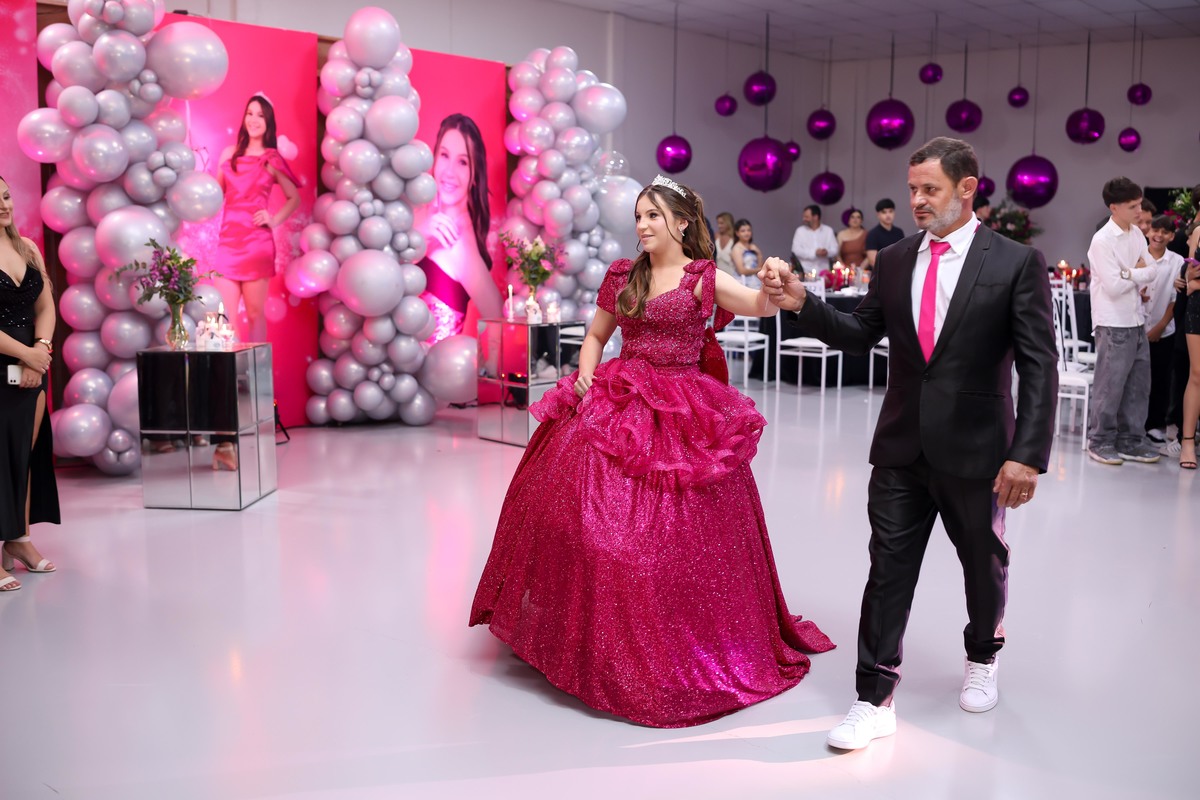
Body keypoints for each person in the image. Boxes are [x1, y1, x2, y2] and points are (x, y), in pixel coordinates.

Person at [469, 175, 833, 728]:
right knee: (568, 519)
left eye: (653, 216)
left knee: (677, 544)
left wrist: (774, 279)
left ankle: (676, 643)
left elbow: (760, 306)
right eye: (638, 216)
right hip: (617, 398)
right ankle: (580, 640)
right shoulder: (624, 275)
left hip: (682, 409)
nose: (641, 225)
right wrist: (586, 376)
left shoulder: (703, 277)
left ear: (681, 223)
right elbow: (596, 337)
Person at [759, 137, 1057, 750]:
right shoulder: (894, 260)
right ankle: (873, 698)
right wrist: (802, 303)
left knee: (983, 563)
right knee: (888, 569)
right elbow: (859, 333)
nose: (917, 200)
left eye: (930, 189)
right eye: (913, 188)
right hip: (900, 446)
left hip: (978, 450)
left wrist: (1026, 454)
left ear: (968, 188)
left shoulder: (1015, 262)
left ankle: (983, 654)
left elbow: (1039, 365)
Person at [0, 176, 60, 592]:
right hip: (8, 362)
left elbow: (45, 306)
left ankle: (17, 539)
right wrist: (26, 354)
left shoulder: (28, 249)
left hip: (33, 367)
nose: (3, 205)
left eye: (5, 196)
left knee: (23, 454)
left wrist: (40, 350)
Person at [213, 94, 300, 345]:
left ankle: (257, 369)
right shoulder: (229, 154)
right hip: (227, 243)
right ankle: (231, 368)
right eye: (249, 113)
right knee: (224, 320)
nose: (253, 120)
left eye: (260, 115)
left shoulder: (272, 159)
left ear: (268, 121)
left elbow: (294, 198)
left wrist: (273, 220)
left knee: (254, 314)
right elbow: (216, 195)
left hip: (256, 245)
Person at [1086, 177, 1160, 465]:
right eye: (1132, 206)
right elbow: (1114, 287)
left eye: (1139, 204)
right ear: (1113, 207)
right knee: (1110, 386)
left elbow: (1152, 270)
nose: (1139, 211)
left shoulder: (1137, 234)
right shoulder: (1102, 240)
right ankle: (1100, 440)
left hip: (1136, 319)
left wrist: (1128, 273)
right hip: (1112, 321)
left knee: (1138, 386)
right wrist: (1136, 274)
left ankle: (1131, 440)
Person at [415, 113, 502, 342]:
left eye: (463, 162)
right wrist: (420, 234)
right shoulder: (422, 217)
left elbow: (499, 318)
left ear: (474, 175)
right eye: (444, 155)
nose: (450, 172)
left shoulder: (459, 243)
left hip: (432, 363)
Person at [1143, 216, 1182, 444]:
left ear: (1172, 236)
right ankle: (1130, 424)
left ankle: (1154, 424)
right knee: (1135, 380)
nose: (1159, 235)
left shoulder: (1176, 261)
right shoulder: (1139, 256)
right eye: (1155, 229)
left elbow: (1175, 299)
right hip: (1136, 327)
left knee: (1160, 378)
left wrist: (1160, 327)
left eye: (1165, 232)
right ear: (1148, 231)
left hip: (1163, 330)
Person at [791, 204, 838, 276]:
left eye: (806, 217)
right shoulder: (800, 231)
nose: (804, 219)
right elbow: (795, 250)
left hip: (824, 273)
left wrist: (826, 252)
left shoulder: (828, 230)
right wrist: (814, 253)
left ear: (815, 217)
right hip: (805, 271)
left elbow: (835, 249)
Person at [864, 198, 905, 269]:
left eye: (890, 211)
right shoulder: (872, 234)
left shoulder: (899, 232)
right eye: (884, 212)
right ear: (878, 215)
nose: (888, 215)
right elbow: (872, 261)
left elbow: (903, 254)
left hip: (898, 270)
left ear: (894, 213)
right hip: (879, 273)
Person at [731, 218, 763, 290]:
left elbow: (760, 266)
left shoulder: (753, 246)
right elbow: (741, 270)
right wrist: (758, 270)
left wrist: (759, 254)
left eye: (749, 230)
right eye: (743, 231)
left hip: (755, 281)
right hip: (742, 282)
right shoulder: (737, 248)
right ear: (737, 233)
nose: (746, 233)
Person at [713, 211, 738, 278]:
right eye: (718, 223)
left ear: (728, 223)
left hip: (732, 275)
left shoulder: (735, 238)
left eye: (721, 223)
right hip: (718, 274)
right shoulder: (716, 236)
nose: (719, 226)